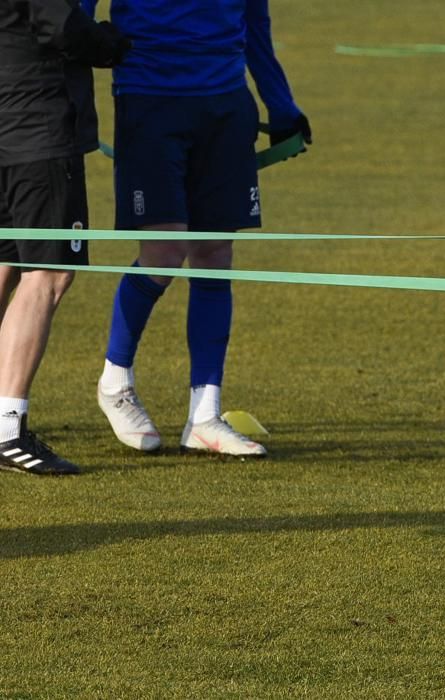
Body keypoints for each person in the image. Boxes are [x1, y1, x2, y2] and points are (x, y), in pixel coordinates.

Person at [90, 0, 312, 457]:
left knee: (214, 253)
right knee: (165, 251)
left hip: (226, 104)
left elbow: (255, 23)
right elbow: (76, 16)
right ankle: (116, 381)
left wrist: (281, 104)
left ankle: (205, 416)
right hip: (148, 99)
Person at [0, 0, 129, 475]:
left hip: (7, 123)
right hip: (38, 127)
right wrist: (110, 44)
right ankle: (8, 429)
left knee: (6, 263)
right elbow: (57, 22)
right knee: (49, 273)